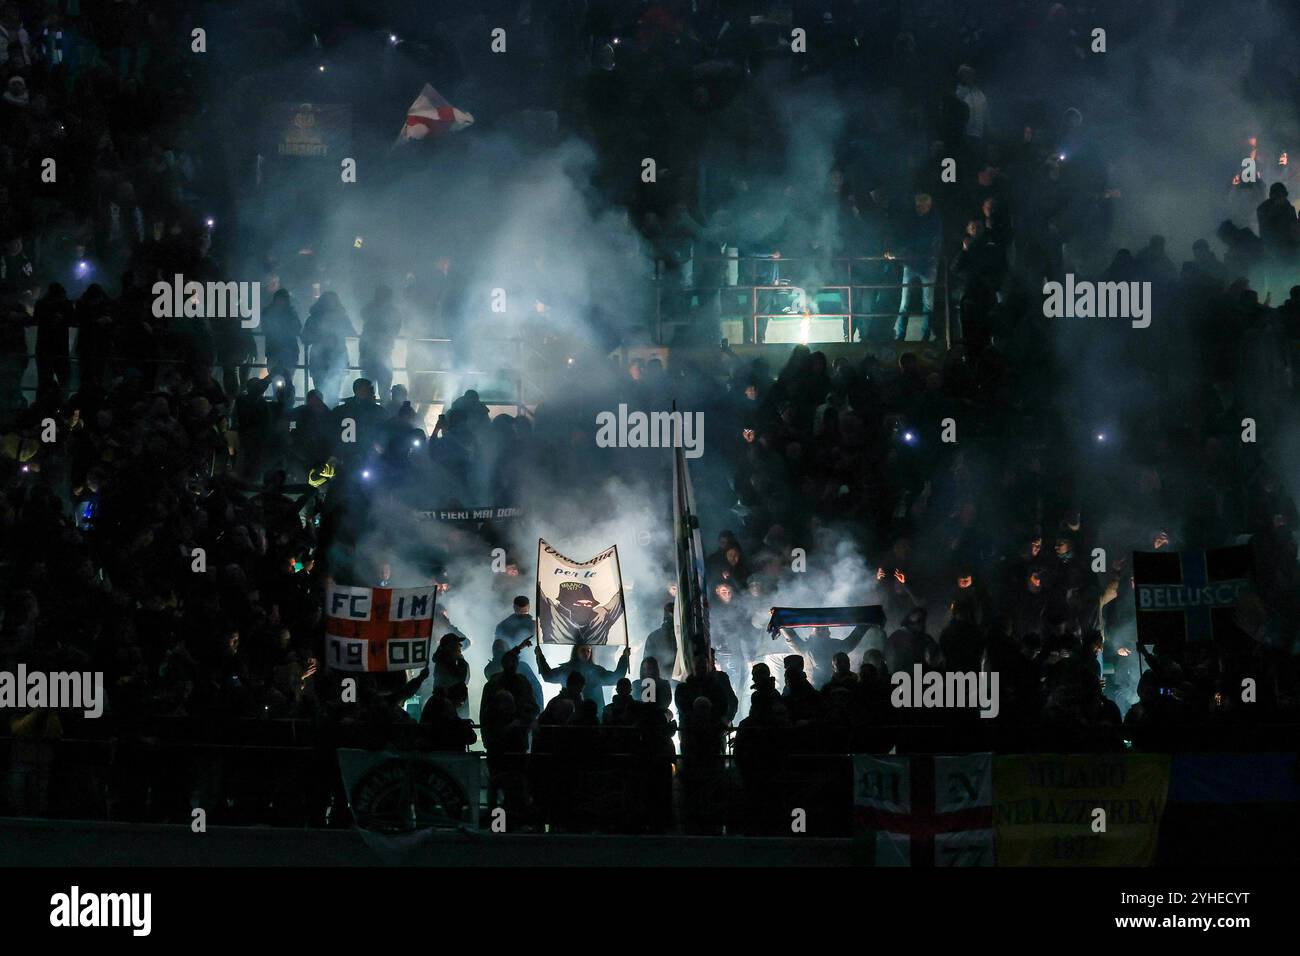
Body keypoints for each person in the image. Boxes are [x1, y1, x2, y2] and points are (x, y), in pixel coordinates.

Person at [893, 192, 943, 341]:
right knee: (906, 302)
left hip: (925, 264)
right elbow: (906, 239)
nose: (920, 208)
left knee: (926, 302)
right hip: (916, 263)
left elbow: (934, 244)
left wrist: (905, 254)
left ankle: (922, 335)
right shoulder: (915, 219)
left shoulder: (934, 221)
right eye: (919, 205)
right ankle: (903, 334)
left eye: (923, 205)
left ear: (929, 205)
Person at [535, 643, 630, 718]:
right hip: (570, 716)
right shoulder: (566, 669)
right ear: (576, 651)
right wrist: (540, 657)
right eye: (583, 650)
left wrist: (624, 657)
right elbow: (548, 676)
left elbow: (616, 677)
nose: (586, 653)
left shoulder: (597, 671)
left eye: (588, 651)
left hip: (594, 715)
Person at [301, 290, 353, 405]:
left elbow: (352, 335)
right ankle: (326, 418)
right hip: (322, 360)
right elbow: (305, 337)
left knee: (333, 392)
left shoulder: (340, 318)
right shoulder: (315, 318)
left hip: (335, 359)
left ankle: (329, 417)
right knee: (321, 392)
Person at [359, 284, 401, 397]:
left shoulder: (372, 309)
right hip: (378, 355)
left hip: (373, 354)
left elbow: (363, 314)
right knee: (382, 390)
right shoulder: (391, 311)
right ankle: (382, 410)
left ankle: (375, 410)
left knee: (370, 388)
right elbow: (396, 329)